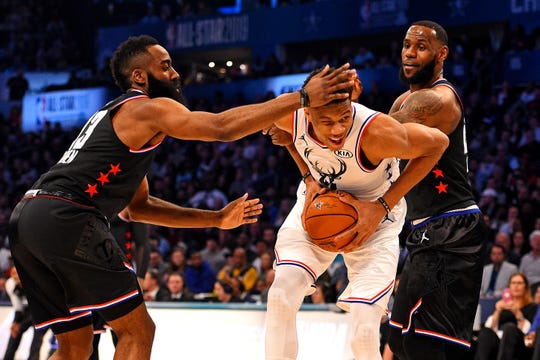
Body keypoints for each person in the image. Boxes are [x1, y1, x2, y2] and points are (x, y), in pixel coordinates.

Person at [7, 34, 355, 360]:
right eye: (165, 66)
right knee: (137, 330)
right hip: (67, 216)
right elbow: (220, 127)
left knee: (75, 344)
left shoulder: (120, 123)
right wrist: (302, 97)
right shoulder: (145, 107)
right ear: (140, 77)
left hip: (28, 218)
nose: (175, 74)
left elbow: (137, 208)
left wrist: (216, 218)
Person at [263, 66, 449, 360]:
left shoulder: (376, 131)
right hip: (320, 206)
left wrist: (382, 206)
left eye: (343, 118)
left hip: (377, 218)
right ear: (307, 113)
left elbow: (438, 143)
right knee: (280, 296)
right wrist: (308, 178)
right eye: (327, 122)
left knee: (363, 335)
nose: (337, 129)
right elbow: (291, 138)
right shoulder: (289, 114)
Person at [386, 21, 489, 359]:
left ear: (441, 53)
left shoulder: (439, 99)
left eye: (420, 47)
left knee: (424, 343)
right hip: (424, 229)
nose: (409, 54)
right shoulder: (405, 99)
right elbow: (380, 153)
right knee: (398, 339)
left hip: (452, 227)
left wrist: (318, 119)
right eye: (406, 46)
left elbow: (375, 137)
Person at [474, 272, 537, 360]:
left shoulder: (532, 307)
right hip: (499, 340)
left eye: (519, 283)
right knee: (485, 332)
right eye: (513, 283)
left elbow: (528, 331)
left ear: (525, 287)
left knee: (509, 328)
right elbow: (490, 327)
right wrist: (497, 311)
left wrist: (517, 313)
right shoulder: (502, 305)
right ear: (509, 286)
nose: (516, 286)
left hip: (520, 343)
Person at [3, 266, 47, 360]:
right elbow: (18, 306)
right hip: (26, 310)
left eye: (18, 274)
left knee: (37, 339)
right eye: (13, 274)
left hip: (42, 310)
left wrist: (21, 325)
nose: (16, 277)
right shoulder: (10, 284)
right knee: (14, 332)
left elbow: (39, 306)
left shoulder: (35, 282)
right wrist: (16, 323)